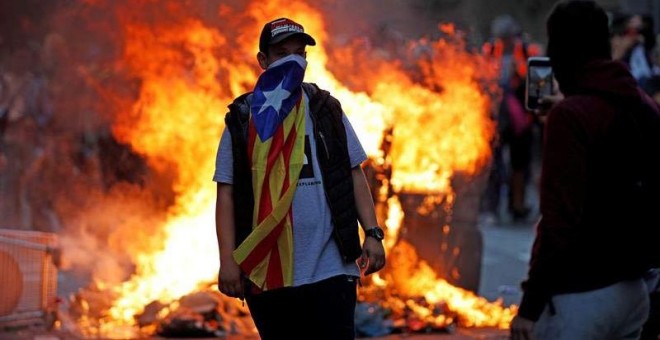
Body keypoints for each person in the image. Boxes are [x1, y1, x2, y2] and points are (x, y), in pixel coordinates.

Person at [212, 17, 386, 339]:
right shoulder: (243, 118)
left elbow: (353, 172)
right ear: (263, 60)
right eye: (281, 53)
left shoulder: (325, 109)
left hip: (332, 267)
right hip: (268, 270)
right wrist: (228, 262)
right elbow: (227, 194)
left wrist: (373, 233)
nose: (293, 60)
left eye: (299, 53)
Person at [511, 1, 660, 339]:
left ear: (561, 48)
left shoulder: (572, 118)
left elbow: (559, 221)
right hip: (634, 291)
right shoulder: (641, 103)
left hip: (581, 295)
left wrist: (530, 307)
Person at [480, 15, 542, 223]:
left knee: (520, 166)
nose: (504, 42)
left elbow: (538, 81)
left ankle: (518, 207)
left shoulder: (527, 51)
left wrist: (520, 71)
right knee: (494, 166)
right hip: (495, 117)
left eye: (507, 38)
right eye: (501, 38)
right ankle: (492, 208)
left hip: (521, 119)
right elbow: (481, 78)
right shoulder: (488, 51)